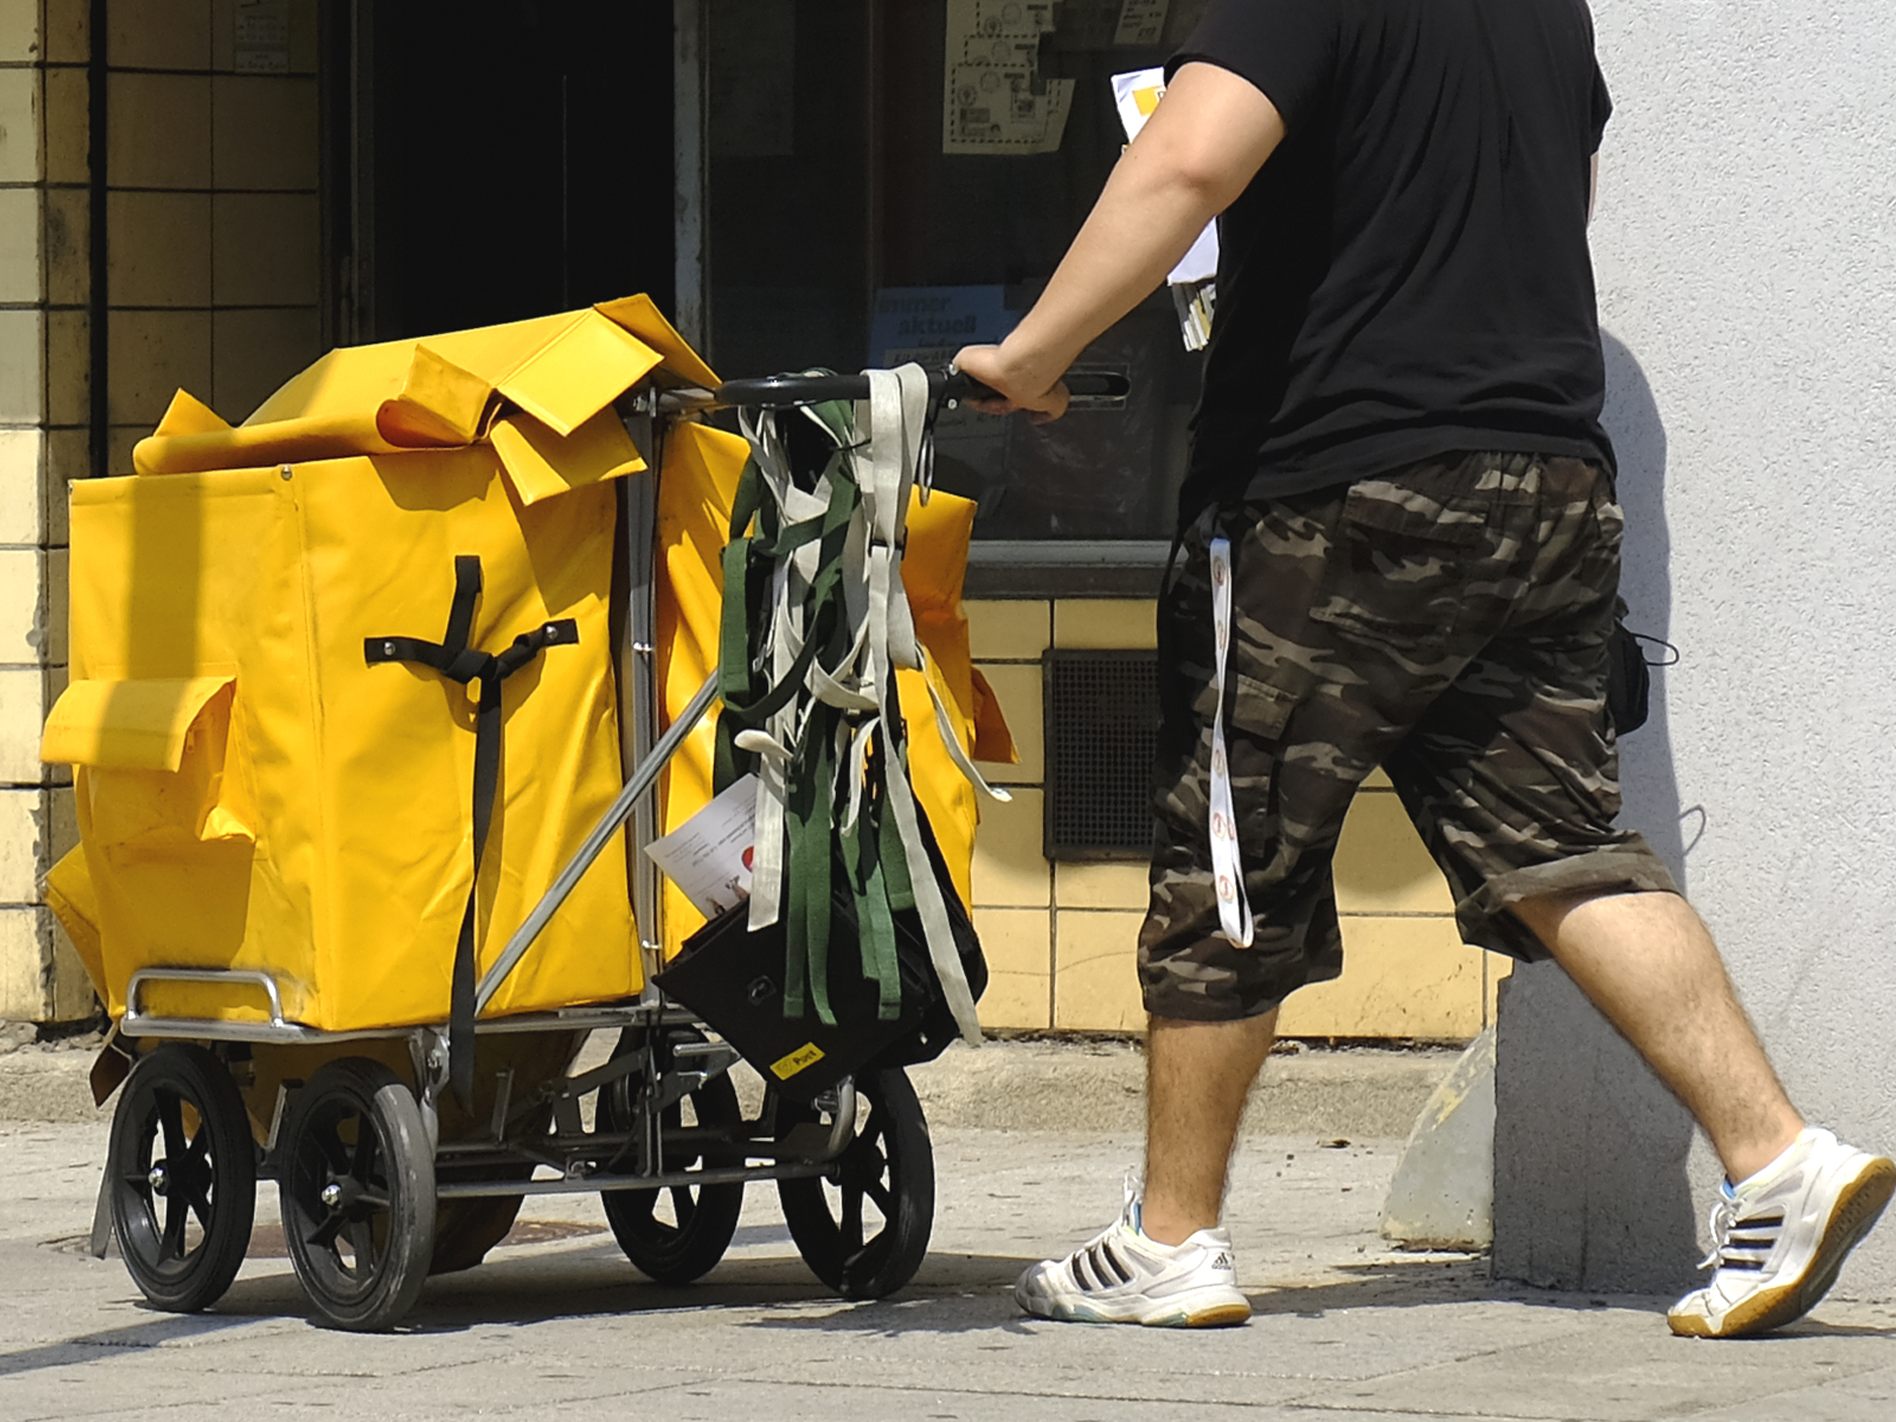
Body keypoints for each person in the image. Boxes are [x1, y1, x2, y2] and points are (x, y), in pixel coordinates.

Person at [954, 0, 1891, 1339]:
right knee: (1564, 847)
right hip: (1546, 478)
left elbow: (1186, 162)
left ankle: (1170, 1237)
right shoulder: (1544, 13)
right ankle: (1778, 1157)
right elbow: (1554, 206)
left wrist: (1036, 355)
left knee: (1234, 851)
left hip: (1334, 488)